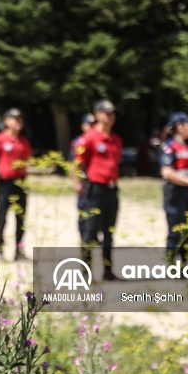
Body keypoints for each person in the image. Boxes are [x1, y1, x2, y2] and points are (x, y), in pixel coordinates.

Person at [73, 100, 122, 281]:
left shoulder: (116, 139)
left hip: (111, 189)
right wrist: (78, 183)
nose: (110, 117)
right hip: (94, 190)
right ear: (98, 114)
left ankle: (108, 270)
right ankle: (85, 271)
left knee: (109, 232)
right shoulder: (89, 138)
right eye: (107, 113)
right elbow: (78, 163)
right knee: (90, 231)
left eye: (112, 113)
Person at [0, 108, 33, 260]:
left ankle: (19, 249)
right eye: (14, 118)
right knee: (3, 217)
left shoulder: (23, 141)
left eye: (20, 119)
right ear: (6, 121)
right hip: (5, 183)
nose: (18, 122)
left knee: (21, 217)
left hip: (21, 182)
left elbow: (28, 157)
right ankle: (0, 250)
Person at [160, 112, 188, 262]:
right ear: (180, 127)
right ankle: (171, 265)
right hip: (175, 194)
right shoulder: (170, 147)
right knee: (175, 230)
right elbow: (167, 172)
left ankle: (184, 265)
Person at [70, 113, 96, 241]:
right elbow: (75, 164)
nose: (91, 127)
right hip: (84, 178)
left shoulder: (98, 141)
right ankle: (83, 233)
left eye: (93, 125)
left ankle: (94, 235)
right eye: (88, 125)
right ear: (82, 126)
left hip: (95, 180)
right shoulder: (78, 142)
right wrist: (77, 181)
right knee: (83, 207)